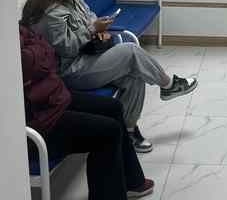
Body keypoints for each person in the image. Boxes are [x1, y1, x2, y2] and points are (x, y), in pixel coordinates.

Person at [21, 0, 198, 153]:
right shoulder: (50, 12)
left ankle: (128, 131)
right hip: (70, 70)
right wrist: (92, 30)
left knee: (134, 75)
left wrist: (100, 29)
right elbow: (67, 48)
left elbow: (89, 16)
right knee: (131, 50)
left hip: (87, 56)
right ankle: (168, 85)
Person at [20, 25, 154, 199]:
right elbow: (29, 61)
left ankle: (132, 182)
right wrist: (37, 54)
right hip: (39, 118)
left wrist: (36, 55)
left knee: (112, 107)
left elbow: (47, 52)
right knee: (108, 132)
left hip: (53, 98)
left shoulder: (14, 28)